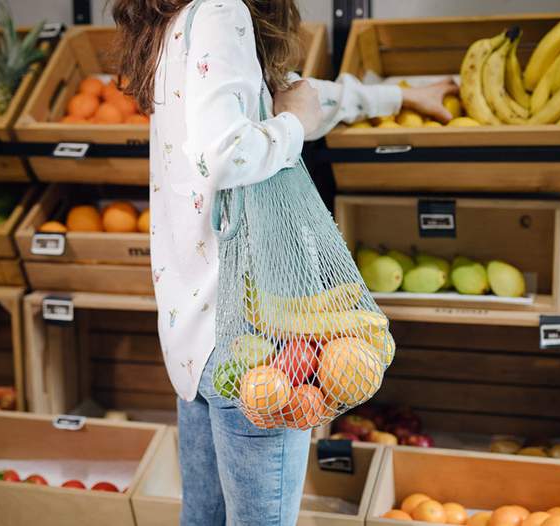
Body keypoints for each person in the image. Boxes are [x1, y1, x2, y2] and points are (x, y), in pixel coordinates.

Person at [112, 1, 457, 524]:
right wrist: (294, 123)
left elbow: (291, 94)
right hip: (254, 337)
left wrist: (402, 96)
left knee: (203, 518)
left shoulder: (174, 22)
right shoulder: (223, 10)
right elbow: (232, 152)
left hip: (195, 338)